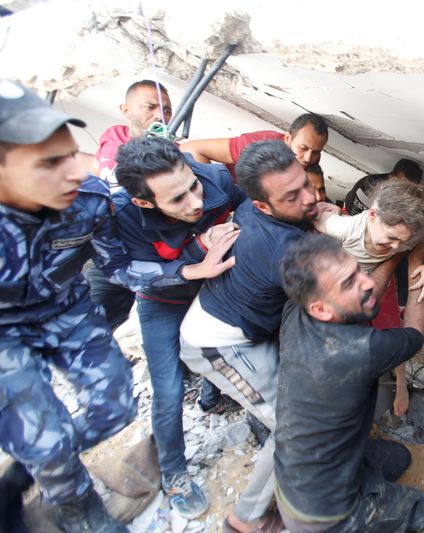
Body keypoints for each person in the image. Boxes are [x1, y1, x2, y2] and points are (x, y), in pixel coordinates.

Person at [179, 140, 399, 532]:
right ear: (263, 206)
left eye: (306, 185)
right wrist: (394, 254)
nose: (310, 198)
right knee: (296, 427)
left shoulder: (263, 208)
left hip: (251, 325)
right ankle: (245, 519)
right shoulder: (287, 249)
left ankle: (330, 469)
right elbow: (355, 301)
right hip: (219, 343)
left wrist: (318, 217)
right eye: (292, 196)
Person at [0, 79, 137, 532]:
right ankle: (78, 509)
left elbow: (117, 264)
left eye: (73, 153)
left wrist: (187, 267)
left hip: (64, 309)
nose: (76, 171)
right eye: (50, 163)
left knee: (117, 407)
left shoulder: (90, 202)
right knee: (46, 439)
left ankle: (36, 461)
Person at [92, 136, 246, 518]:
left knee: (220, 353)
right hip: (163, 302)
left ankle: (212, 396)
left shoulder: (213, 179)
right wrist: (194, 263)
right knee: (168, 389)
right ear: (145, 202)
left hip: (214, 290)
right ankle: (174, 473)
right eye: (177, 199)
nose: (195, 202)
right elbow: (126, 273)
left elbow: (251, 208)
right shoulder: (121, 215)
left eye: (192, 186)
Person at [274, 234, 424, 532]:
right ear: (320, 308)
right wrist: (418, 264)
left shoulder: (297, 310)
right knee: (419, 507)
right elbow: (416, 332)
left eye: (359, 270)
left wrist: (396, 253)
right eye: (348, 283)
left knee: (400, 458)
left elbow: (366, 298)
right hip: (322, 513)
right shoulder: (360, 350)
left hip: (298, 472)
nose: (367, 283)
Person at [313, 180, 424, 415]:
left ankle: (400, 383)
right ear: (372, 216)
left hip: (380, 282)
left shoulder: (405, 232)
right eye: (391, 238)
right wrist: (326, 208)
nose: (396, 246)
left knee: (390, 327)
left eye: (404, 241)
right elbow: (314, 218)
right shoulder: (347, 228)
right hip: (346, 281)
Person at [83, 79, 173, 328]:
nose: (160, 116)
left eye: (166, 110)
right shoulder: (115, 141)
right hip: (113, 257)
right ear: (126, 110)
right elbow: (120, 176)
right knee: (91, 323)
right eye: (150, 107)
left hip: (153, 257)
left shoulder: (169, 150)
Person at [179, 112, 328, 180]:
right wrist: (216, 193)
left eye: (316, 152)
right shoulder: (260, 144)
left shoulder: (311, 161)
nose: (308, 158)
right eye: (303, 148)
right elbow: (193, 149)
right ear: (288, 138)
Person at [344, 158, 423, 215]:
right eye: (400, 183)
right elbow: (355, 218)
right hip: (351, 213)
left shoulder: (408, 192)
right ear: (392, 176)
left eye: (408, 187)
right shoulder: (368, 188)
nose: (403, 188)